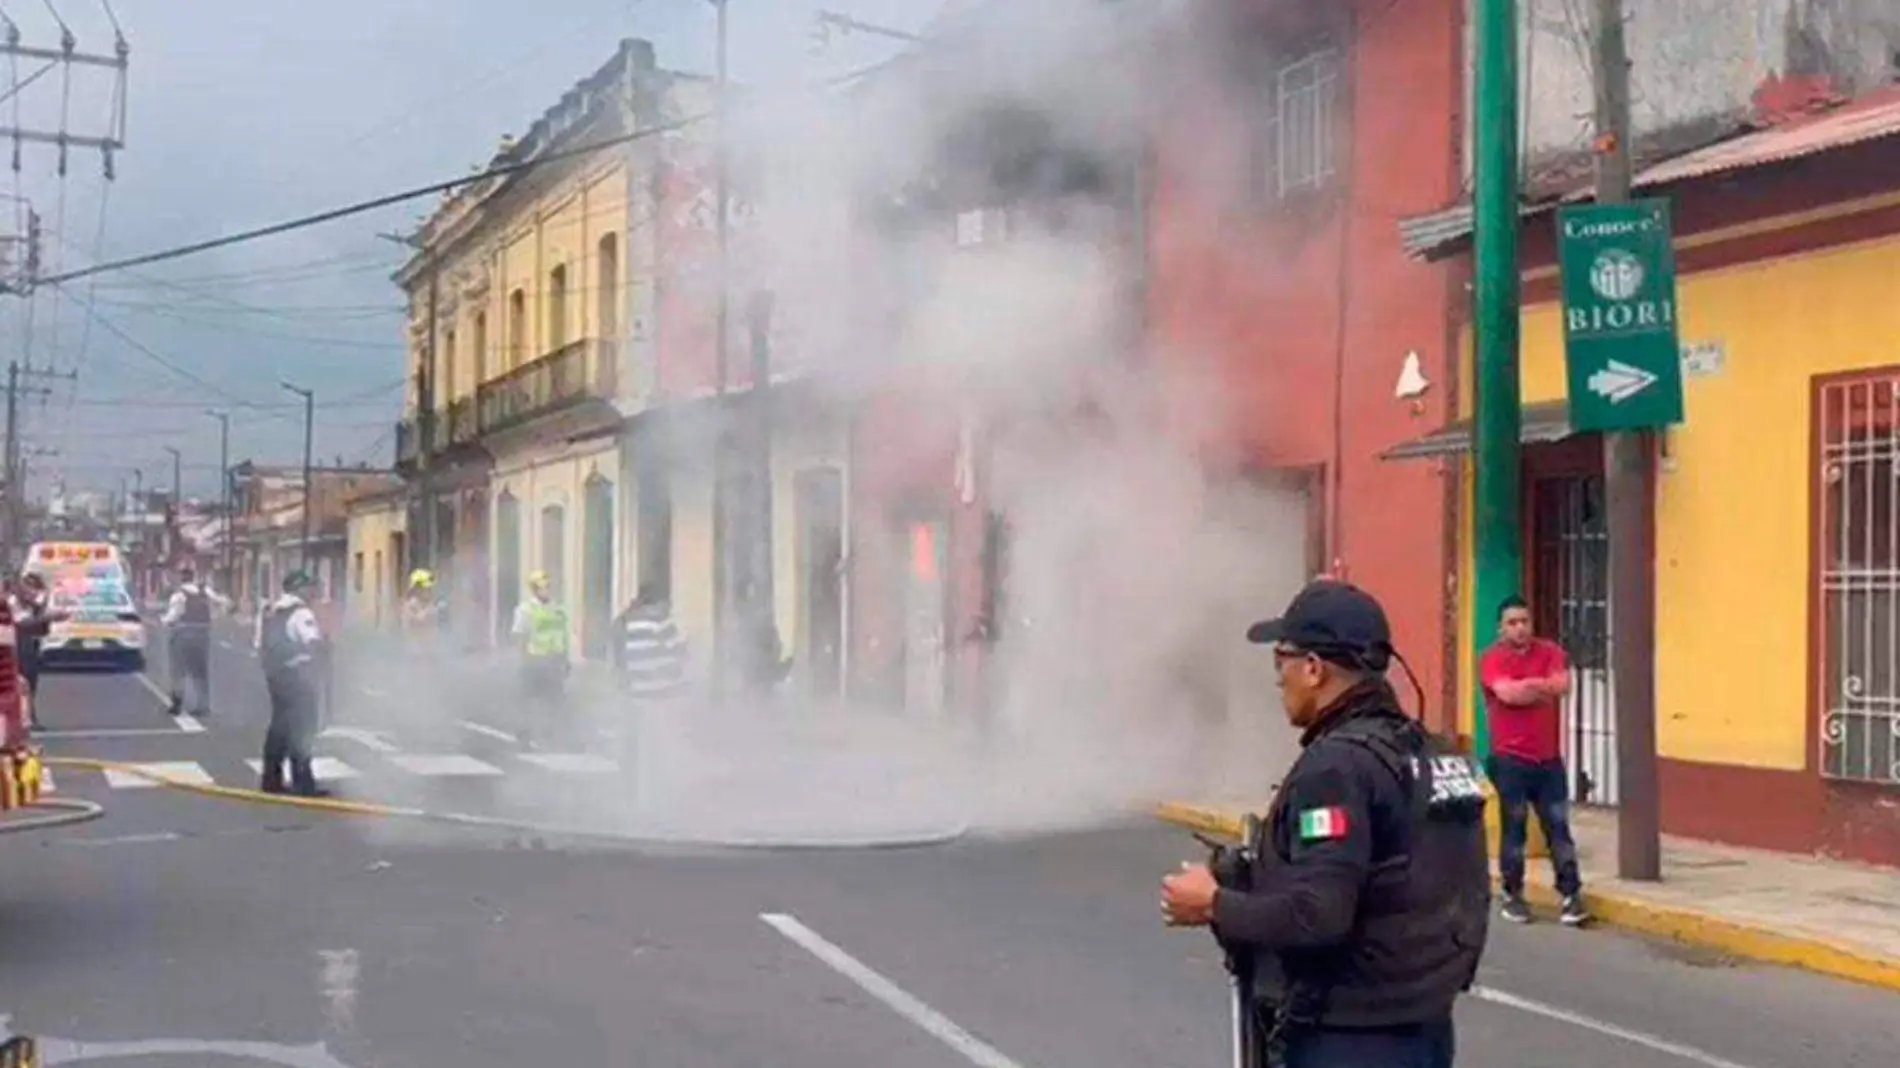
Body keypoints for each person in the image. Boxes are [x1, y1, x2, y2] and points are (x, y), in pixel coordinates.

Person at [1160, 580, 1490, 1068]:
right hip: (1424, 1030)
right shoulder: (1430, 754)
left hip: (1347, 1037)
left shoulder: (1337, 767)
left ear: (1313, 669)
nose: (1278, 680)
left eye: (1282, 661)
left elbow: (1319, 916)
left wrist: (1213, 903)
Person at [1481, 595, 1588, 927]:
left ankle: (1570, 894)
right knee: (1514, 831)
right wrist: (1541, 688)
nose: (1520, 628)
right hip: (1510, 759)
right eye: (1512, 623)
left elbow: (1564, 684)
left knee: (1558, 827)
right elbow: (1507, 694)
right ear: (1501, 628)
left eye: (1524, 621)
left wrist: (1527, 688)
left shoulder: (1550, 652)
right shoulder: (1492, 659)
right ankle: (1513, 894)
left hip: (1548, 759)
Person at [254, 570, 327, 797]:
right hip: (298, 675)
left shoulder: (268, 611)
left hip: (276, 674)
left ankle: (271, 779)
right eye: (308, 587)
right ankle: (303, 782)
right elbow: (312, 641)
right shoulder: (301, 612)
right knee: (303, 727)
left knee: (279, 726)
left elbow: (258, 643)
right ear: (298, 588)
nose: (312, 592)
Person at [509, 570, 570, 748]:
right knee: (529, 700)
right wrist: (522, 659)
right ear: (534, 589)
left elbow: (563, 635)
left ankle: (550, 734)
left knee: (554, 701)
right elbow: (519, 635)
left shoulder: (558, 609)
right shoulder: (525, 610)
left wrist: (565, 659)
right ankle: (525, 733)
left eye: (549, 586)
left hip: (553, 661)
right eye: (543, 587)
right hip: (534, 660)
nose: (547, 590)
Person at [160, 566, 230, 718]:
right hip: (202, 635)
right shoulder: (205, 592)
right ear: (193, 577)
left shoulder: (179, 595)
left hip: (182, 635)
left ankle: (177, 703)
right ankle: (203, 705)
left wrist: (163, 621)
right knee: (200, 672)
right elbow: (223, 601)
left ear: (181, 578)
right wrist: (215, 616)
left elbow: (173, 615)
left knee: (179, 670)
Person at [11, 574, 67, 731]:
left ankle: (28, 717)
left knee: (30, 683)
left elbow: (40, 628)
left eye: (36, 589)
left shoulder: (32, 606)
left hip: (31, 647)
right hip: (17, 647)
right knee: (21, 683)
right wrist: (46, 617)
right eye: (29, 588)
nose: (33, 592)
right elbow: (22, 622)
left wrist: (49, 615)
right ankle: (22, 719)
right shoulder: (13, 602)